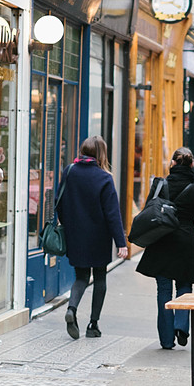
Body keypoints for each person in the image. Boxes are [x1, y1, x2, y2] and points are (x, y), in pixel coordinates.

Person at [136, 147, 194, 350]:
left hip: (162, 239)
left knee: (163, 289)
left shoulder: (160, 184)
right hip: (185, 241)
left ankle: (166, 339)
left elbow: (148, 212)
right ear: (192, 165)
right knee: (184, 285)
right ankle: (181, 325)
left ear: (172, 164)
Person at [56, 136, 129, 340]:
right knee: (99, 277)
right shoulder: (104, 177)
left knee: (80, 276)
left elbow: (58, 202)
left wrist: (68, 223)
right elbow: (112, 213)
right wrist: (121, 242)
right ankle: (93, 325)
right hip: (99, 236)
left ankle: (72, 308)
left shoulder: (69, 171)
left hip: (76, 234)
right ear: (101, 154)